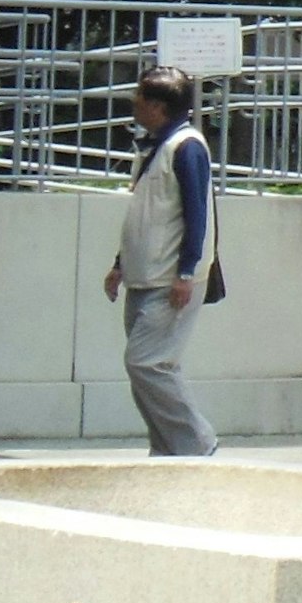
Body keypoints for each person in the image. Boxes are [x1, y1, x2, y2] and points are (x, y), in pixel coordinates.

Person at [101, 65, 219, 458]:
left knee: (146, 364)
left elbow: (196, 214)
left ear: (157, 106)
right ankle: (168, 449)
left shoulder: (186, 147)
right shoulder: (156, 146)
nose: (134, 103)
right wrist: (120, 264)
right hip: (143, 275)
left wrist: (186, 273)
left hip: (169, 278)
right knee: (150, 370)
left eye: (140, 97)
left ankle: (197, 442)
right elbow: (146, 212)